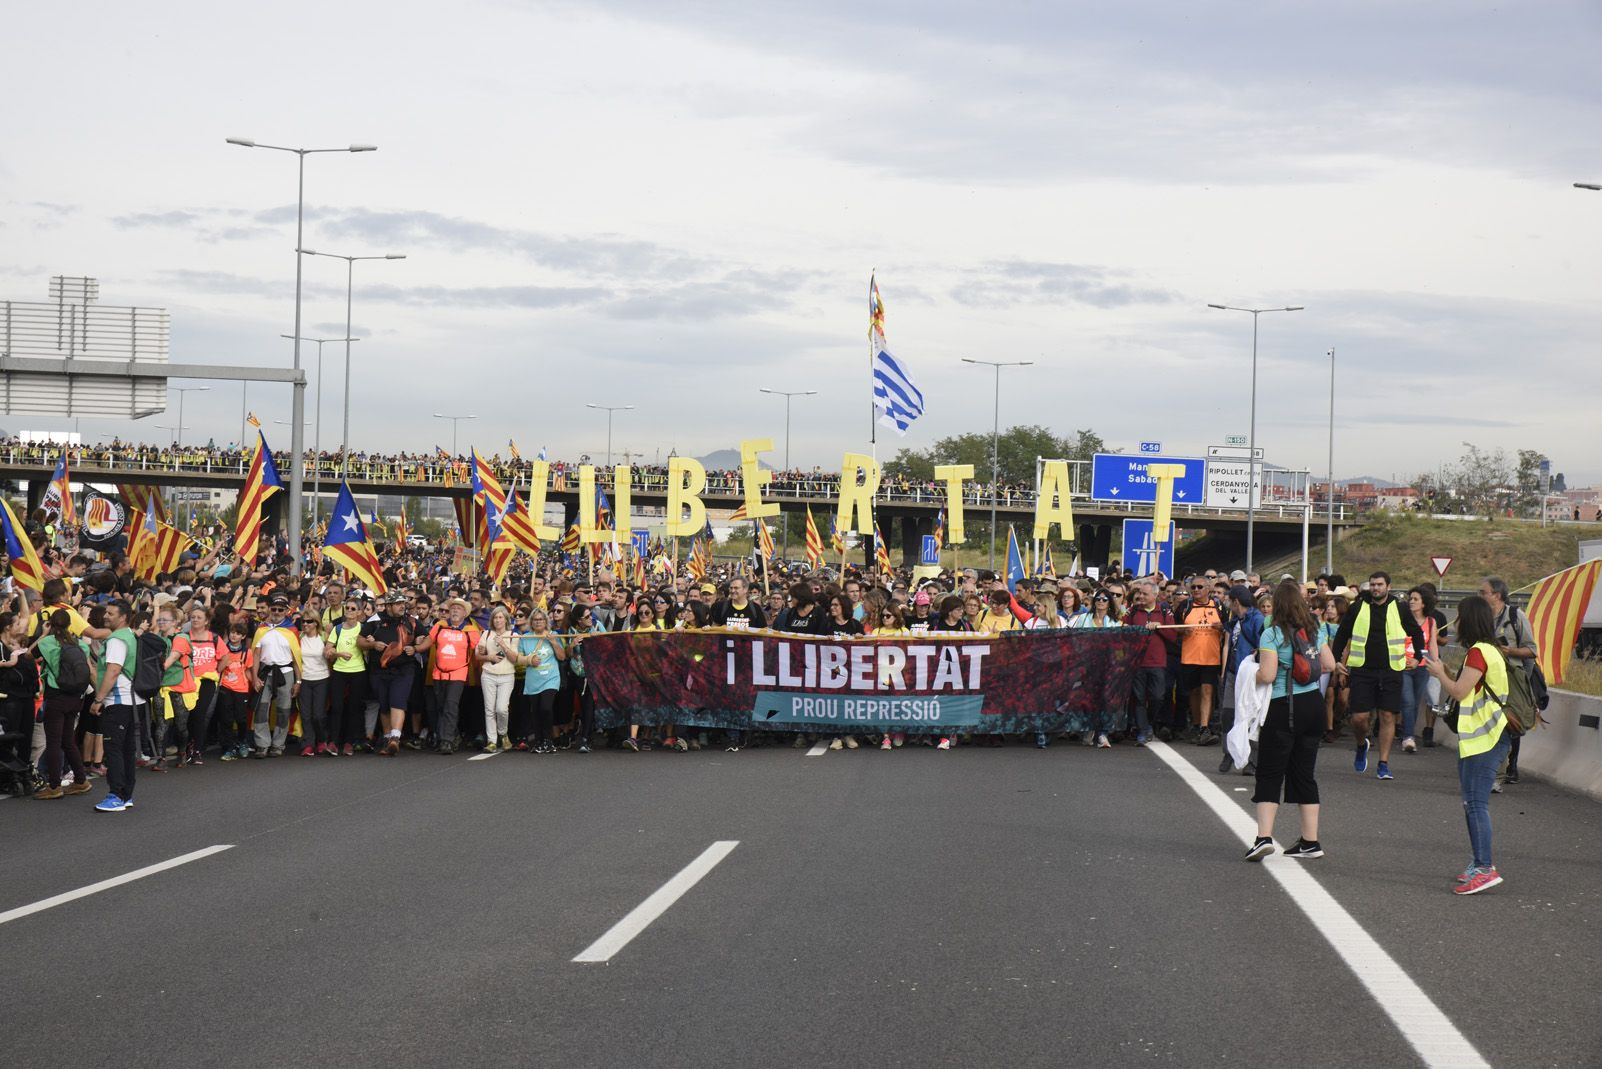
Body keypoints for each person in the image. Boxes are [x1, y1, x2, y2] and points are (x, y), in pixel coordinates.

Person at [1423, 594, 1512, 895]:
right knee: (1471, 802)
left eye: (1460, 617)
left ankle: (1485, 868)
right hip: (1481, 737)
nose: (1456, 623)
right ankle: (1479, 862)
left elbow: (1460, 693)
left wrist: (1439, 675)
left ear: (1469, 620)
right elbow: (1468, 687)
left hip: (1485, 738)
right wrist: (1443, 671)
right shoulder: (1489, 650)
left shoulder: (1478, 651)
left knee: (1475, 803)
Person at [1244, 581, 1339, 861]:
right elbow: (1330, 665)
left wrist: (1251, 673)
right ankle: (1310, 841)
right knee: (1304, 773)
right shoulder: (1315, 630)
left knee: (1271, 772)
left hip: (1283, 707)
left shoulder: (1272, 634)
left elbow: (1268, 675)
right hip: (1313, 706)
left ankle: (1263, 838)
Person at [1331, 571, 1427, 782]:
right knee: (1359, 718)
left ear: (1388, 587)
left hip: (1391, 670)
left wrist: (1418, 657)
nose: (1376, 588)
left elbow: (1417, 633)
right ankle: (1360, 743)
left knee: (1387, 716)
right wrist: (1336, 660)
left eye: (1380, 585)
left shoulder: (1399, 607)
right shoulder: (1358, 607)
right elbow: (1342, 634)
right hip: (1362, 670)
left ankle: (1383, 763)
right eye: (1373, 584)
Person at [1479, 576, 1538, 787]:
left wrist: (1510, 651)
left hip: (1511, 679)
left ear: (1496, 594)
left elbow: (1532, 650)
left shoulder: (1515, 616)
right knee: (1490, 724)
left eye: (1483, 592)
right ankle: (1492, 771)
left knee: (1509, 724)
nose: (1480, 596)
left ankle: (1506, 769)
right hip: (1486, 678)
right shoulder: (1482, 616)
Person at [33, 609, 92, 798]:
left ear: (51, 624)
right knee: (68, 740)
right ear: (69, 625)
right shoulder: (81, 645)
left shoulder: (47, 642)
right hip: (76, 698)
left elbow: (28, 654)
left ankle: (54, 786)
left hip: (57, 696)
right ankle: (81, 780)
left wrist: (43, 633)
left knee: (54, 742)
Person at [89, 599, 139, 812]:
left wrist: (98, 699)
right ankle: (126, 794)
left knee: (114, 749)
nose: (106, 616)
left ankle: (115, 795)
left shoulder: (117, 640)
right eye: (106, 613)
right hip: (132, 702)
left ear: (124, 617)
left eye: (111, 613)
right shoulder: (129, 636)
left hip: (118, 701)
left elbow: (113, 671)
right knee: (127, 749)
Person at [360, 592, 418, 756]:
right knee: (384, 705)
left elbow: (426, 638)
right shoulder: (375, 620)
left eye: (403, 603)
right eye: (398, 603)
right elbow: (360, 640)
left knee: (397, 701)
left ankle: (395, 738)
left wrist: (416, 648)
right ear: (388, 606)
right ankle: (387, 740)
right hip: (379, 671)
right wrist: (373, 645)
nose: (402, 606)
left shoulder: (411, 621)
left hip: (403, 670)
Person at [415, 597, 474, 754]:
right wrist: (413, 647)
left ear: (464, 613)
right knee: (441, 707)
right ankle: (453, 735)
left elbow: (480, 648)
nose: (454, 610)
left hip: (458, 674)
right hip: (438, 673)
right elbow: (426, 643)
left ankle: (446, 741)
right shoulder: (439, 627)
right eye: (452, 608)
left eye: (458, 608)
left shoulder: (470, 630)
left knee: (450, 705)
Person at [1123, 581, 1176, 747]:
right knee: (1138, 698)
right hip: (1137, 662)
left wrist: (1160, 627)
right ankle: (1143, 730)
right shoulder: (1132, 611)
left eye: (1145, 594)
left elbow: (1173, 636)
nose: (1141, 596)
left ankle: (1150, 723)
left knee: (1158, 696)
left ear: (1154, 595)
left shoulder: (1165, 610)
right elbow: (1123, 632)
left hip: (1157, 662)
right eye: (1140, 593)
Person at [249, 593, 301, 758]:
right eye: (274, 609)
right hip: (265, 672)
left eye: (280, 609)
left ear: (286, 611)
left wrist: (298, 681)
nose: (277, 612)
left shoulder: (292, 630)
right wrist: (255, 677)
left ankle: (278, 744)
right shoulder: (261, 629)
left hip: (286, 673)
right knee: (261, 709)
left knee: (284, 710)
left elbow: (296, 658)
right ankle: (262, 744)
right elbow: (255, 655)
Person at [1177, 577, 1225, 745]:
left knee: (1207, 691)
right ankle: (1197, 725)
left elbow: (1228, 627)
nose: (1196, 590)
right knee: (1194, 692)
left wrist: (1222, 628)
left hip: (1211, 657)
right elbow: (1175, 629)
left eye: (1199, 587)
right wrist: (1183, 631)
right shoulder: (1185, 606)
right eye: (1193, 587)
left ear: (1208, 588)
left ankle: (1205, 727)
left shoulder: (1218, 606)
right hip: (1190, 657)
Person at [516, 607, 566, 754]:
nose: (538, 622)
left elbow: (562, 657)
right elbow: (520, 659)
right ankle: (539, 741)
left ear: (546, 621)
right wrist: (529, 660)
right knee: (535, 711)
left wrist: (554, 643)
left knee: (546, 707)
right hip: (533, 680)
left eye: (541, 619)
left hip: (550, 678)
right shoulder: (525, 638)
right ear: (531, 622)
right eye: (535, 620)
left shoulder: (554, 635)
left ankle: (549, 740)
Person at [1398, 586, 1441, 754]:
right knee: (1407, 701)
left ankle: (1407, 732)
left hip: (1422, 667)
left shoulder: (1430, 622)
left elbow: (1432, 645)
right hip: (1403, 666)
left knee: (1415, 703)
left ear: (1424, 603)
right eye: (1410, 599)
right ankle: (1408, 737)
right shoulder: (1401, 620)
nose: (1411, 602)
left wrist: (1435, 664)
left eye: (1416, 599)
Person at [327, 600, 367, 756]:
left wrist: (369, 643)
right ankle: (333, 742)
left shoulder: (362, 628)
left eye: (353, 608)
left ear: (359, 613)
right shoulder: (337, 629)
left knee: (354, 708)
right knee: (336, 707)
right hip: (339, 670)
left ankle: (349, 742)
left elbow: (369, 645)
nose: (349, 610)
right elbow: (327, 651)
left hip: (358, 671)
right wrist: (339, 654)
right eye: (348, 608)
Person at [476, 606, 518, 752]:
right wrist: (488, 656)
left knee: (501, 708)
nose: (498, 620)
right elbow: (478, 655)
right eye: (495, 617)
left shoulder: (513, 635)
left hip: (507, 675)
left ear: (506, 619)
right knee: (489, 709)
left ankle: (503, 733)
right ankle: (491, 741)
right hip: (488, 674)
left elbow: (514, 659)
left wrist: (503, 645)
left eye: (501, 617)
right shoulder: (486, 634)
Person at [296, 616, 331, 756]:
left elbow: (330, 657)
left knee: (318, 714)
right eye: (303, 621)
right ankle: (308, 744)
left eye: (309, 621)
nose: (305, 624)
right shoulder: (298, 637)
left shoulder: (324, 637)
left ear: (316, 623)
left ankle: (322, 740)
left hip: (322, 678)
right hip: (304, 679)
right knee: (305, 714)